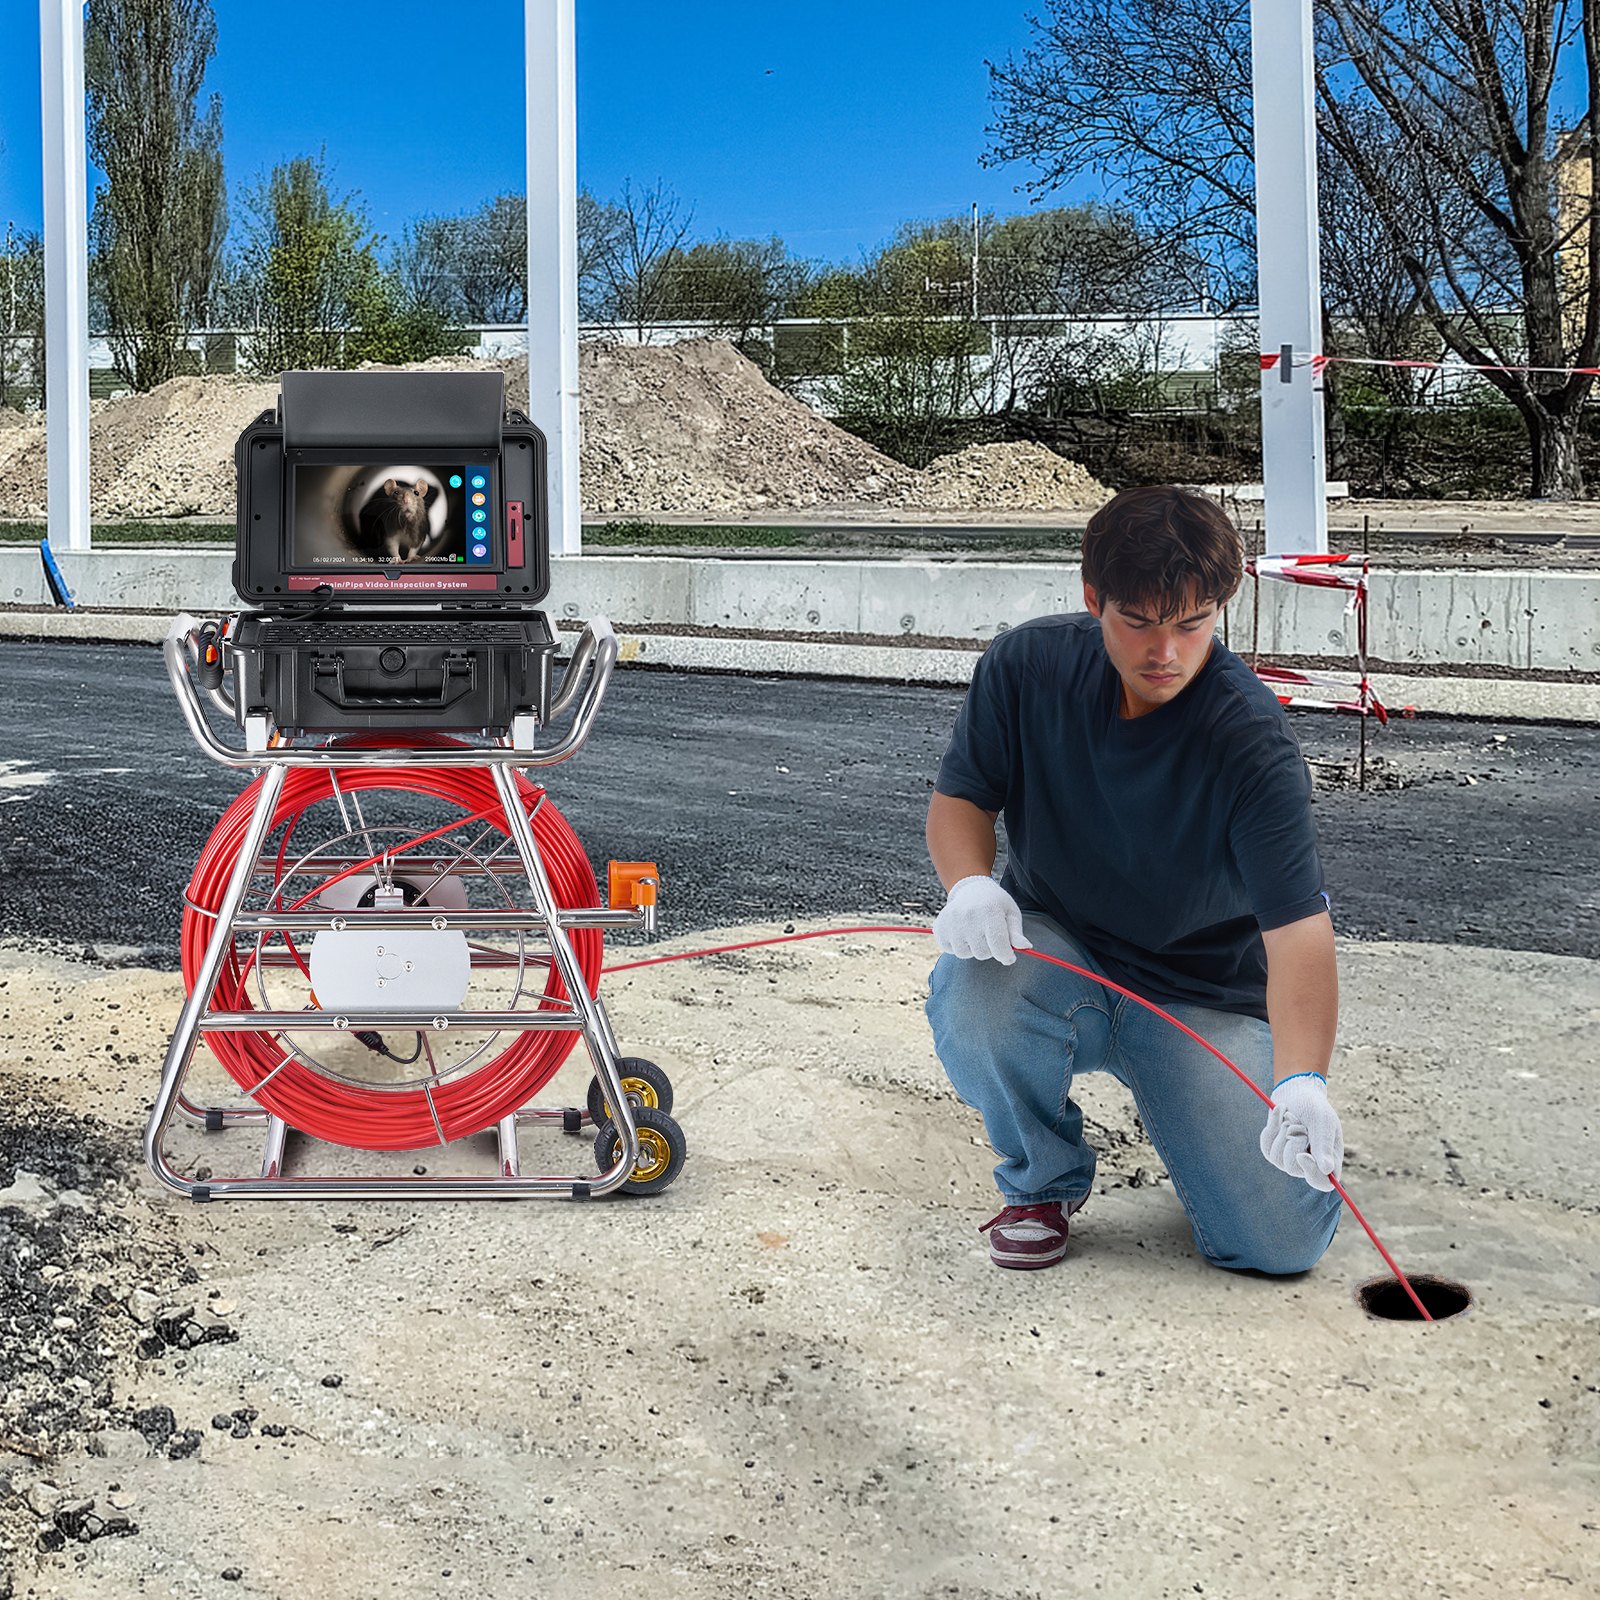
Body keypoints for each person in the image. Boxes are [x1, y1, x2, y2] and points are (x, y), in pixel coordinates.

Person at [924, 484, 1344, 1273]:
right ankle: (1041, 1181)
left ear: (1224, 603)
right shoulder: (1028, 669)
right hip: (1060, 953)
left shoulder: (1249, 743)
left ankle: (1271, 1140)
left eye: (1192, 625)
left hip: (1202, 995)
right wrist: (969, 884)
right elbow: (960, 801)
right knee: (973, 989)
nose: (1166, 653)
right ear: (1094, 598)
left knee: (1276, 1247)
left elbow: (1298, 933)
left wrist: (1302, 1079)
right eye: (1140, 622)